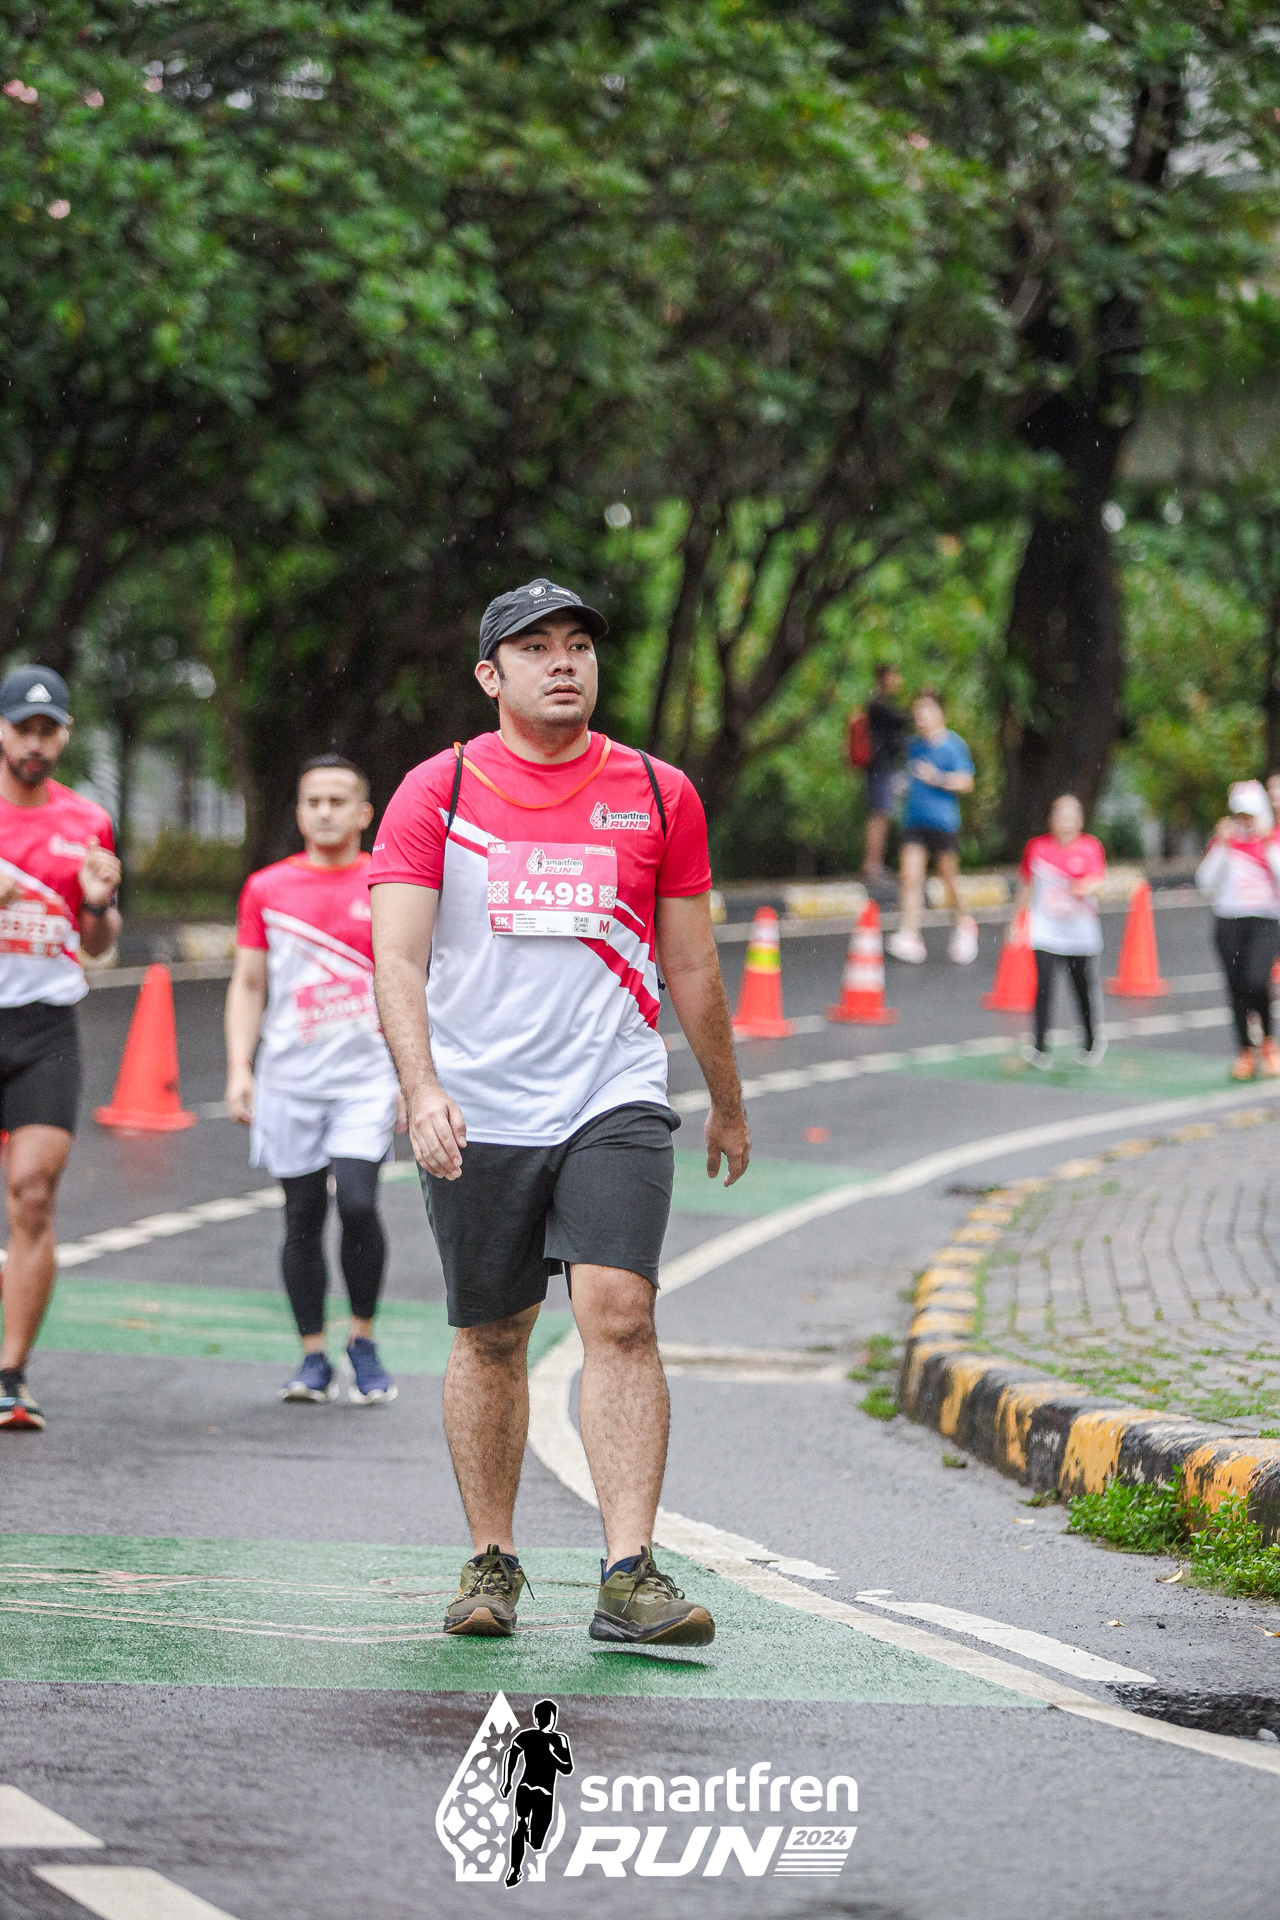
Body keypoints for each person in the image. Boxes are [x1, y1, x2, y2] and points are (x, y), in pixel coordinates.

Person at [369, 577, 750, 1646]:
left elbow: (691, 963)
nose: (563, 662)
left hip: (610, 1092)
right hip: (478, 1105)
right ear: (490, 676)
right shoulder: (437, 791)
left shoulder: (659, 792)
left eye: (578, 644)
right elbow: (395, 959)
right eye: (535, 648)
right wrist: (422, 1088)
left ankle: (628, 1574)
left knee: (620, 1312)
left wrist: (725, 1101)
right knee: (492, 1333)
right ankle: (492, 1559)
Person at [225, 755, 404, 1404]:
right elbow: (249, 983)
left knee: (357, 1202)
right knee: (301, 1217)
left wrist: (415, 1078)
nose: (325, 811)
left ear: (364, 813)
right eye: (313, 801)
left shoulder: (389, 885)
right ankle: (312, 1358)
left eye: (338, 800)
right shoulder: (266, 888)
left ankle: (363, 1340)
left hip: (366, 1079)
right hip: (289, 1081)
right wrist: (240, 1066)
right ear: (299, 813)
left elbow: (416, 979)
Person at [0, 665, 120, 1431]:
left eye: (48, 731)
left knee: (33, 1194)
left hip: (45, 1027)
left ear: (66, 735)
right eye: (23, 729)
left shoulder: (88, 822)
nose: (35, 744)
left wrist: (100, 903)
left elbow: (99, 944)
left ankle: (10, 1377)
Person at [1013, 794, 1107, 1068]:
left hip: (1080, 933)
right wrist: (1016, 921)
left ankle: (1090, 1041)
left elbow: (1099, 880)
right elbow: (1026, 884)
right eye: (1061, 815)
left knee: (1081, 987)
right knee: (1043, 986)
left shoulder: (1090, 847)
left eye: (1072, 815)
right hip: (1046, 931)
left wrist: (1084, 887)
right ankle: (1039, 1046)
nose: (1066, 821)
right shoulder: (1036, 848)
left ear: (1081, 820)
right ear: (1051, 819)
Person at [1195, 780, 1280, 1081]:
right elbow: (1204, 882)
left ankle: (1267, 1041)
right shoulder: (1226, 843)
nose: (1246, 821)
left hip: (1265, 920)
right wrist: (1222, 846)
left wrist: (1267, 843)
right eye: (1241, 814)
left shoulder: (1273, 839)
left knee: (1256, 980)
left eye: (1251, 814)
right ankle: (1245, 1049)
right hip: (1229, 921)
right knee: (1236, 986)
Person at [885, 691, 978, 965]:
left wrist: (937, 778)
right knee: (909, 878)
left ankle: (963, 924)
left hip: (943, 823)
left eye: (925, 711)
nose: (921, 718)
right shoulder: (914, 746)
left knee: (948, 879)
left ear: (939, 713)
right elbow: (909, 776)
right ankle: (910, 934)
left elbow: (967, 782)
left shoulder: (953, 745)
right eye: (917, 713)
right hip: (914, 822)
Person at [499, 1699, 573, 1888]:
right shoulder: (529, 1736)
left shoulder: (559, 1739)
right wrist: (507, 1781)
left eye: (549, 1716)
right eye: (544, 1716)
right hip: (529, 1789)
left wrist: (551, 1755)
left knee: (536, 1841)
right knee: (520, 1824)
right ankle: (515, 1869)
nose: (547, 1720)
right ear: (537, 1718)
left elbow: (567, 1768)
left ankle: (525, 1837)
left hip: (541, 1793)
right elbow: (511, 1754)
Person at [859, 662, 909, 883]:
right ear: (886, 678)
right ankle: (872, 865)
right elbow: (902, 721)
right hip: (879, 768)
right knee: (879, 815)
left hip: (884, 768)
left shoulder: (882, 704)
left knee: (882, 815)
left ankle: (875, 863)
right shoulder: (878, 705)